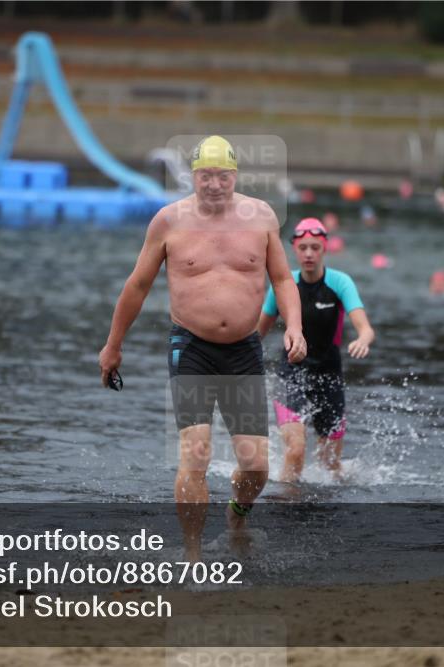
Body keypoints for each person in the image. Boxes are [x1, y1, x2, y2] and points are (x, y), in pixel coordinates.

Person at [98, 135, 306, 560]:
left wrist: (295, 328)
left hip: (243, 350)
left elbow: (283, 279)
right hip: (190, 346)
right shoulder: (168, 221)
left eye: (222, 176)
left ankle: (237, 517)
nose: (214, 184)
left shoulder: (261, 216)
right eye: (205, 176)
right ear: (193, 176)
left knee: (257, 467)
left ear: (235, 177)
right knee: (195, 452)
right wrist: (112, 345)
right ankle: (193, 556)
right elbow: (137, 285)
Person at [257, 218, 375, 483]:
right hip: (291, 375)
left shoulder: (340, 283)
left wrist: (362, 340)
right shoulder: (283, 286)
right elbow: (257, 334)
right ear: (295, 250)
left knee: (330, 468)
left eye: (315, 247)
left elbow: (365, 328)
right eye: (303, 248)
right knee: (296, 450)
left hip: (329, 377)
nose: (309, 253)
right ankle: (286, 505)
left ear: (325, 249)